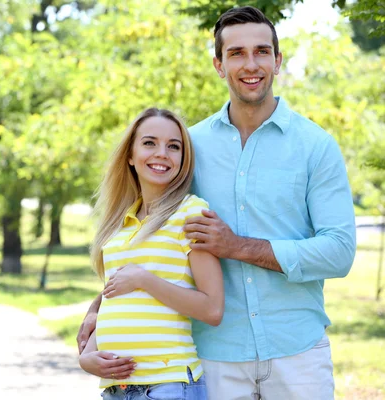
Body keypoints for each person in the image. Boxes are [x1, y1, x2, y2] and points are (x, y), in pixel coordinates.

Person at [77, 6, 356, 400]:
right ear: (219, 64)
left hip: (298, 351)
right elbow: (147, 239)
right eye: (236, 53)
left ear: (278, 61)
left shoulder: (315, 146)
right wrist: (97, 309)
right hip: (214, 355)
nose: (251, 64)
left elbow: (339, 252)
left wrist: (236, 247)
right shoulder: (187, 147)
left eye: (261, 51)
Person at [78, 107, 224, 400]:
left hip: (168, 386)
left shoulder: (191, 213)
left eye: (174, 146)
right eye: (149, 143)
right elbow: (117, 300)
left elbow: (212, 309)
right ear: (130, 156)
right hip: (116, 390)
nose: (162, 153)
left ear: (183, 160)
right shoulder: (118, 225)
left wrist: (144, 279)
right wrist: (87, 357)